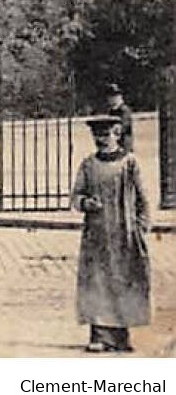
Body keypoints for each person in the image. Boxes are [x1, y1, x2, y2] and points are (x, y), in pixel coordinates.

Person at [72, 115, 151, 353]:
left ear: (117, 134)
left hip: (124, 232)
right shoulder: (88, 164)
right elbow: (75, 197)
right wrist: (86, 203)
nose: (102, 140)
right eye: (97, 135)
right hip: (97, 235)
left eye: (106, 134)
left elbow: (142, 198)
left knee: (123, 279)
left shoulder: (129, 163)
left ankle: (121, 336)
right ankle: (98, 335)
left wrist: (141, 226)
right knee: (97, 281)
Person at [105, 84, 135, 153]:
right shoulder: (112, 111)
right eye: (110, 96)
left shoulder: (124, 110)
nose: (111, 98)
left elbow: (123, 126)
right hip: (114, 145)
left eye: (115, 96)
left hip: (124, 146)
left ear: (120, 96)